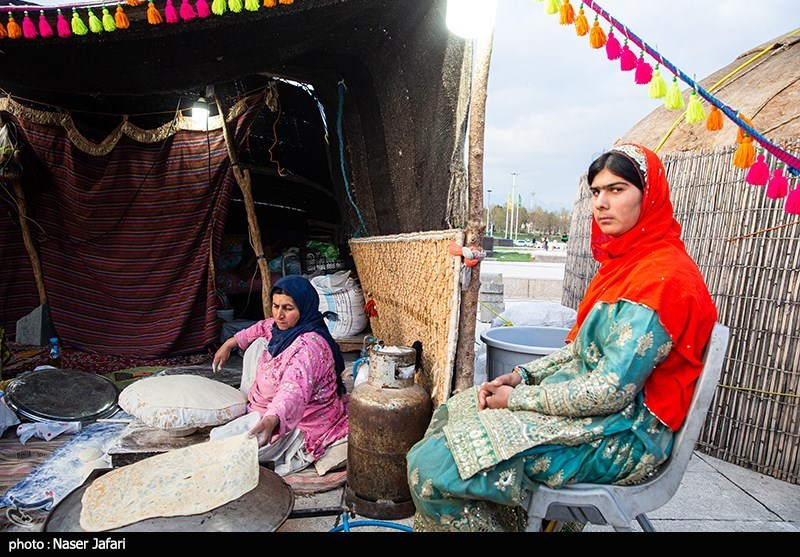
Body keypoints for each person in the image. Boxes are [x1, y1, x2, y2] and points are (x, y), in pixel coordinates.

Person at [406, 143, 718, 532]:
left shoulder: (663, 280)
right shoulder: (627, 264)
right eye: (596, 192)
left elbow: (610, 390)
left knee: (431, 468)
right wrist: (522, 376)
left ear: (649, 196)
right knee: (454, 411)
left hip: (624, 434)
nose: (601, 203)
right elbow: (577, 354)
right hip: (604, 415)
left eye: (616, 190)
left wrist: (517, 400)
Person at [212, 275, 349, 476]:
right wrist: (230, 343)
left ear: (304, 308)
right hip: (269, 408)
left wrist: (272, 419)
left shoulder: (309, 347)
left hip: (300, 419)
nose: (279, 315)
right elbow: (260, 327)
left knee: (234, 452)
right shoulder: (281, 328)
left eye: (288, 308)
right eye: (276, 306)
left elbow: (293, 389)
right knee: (217, 439)